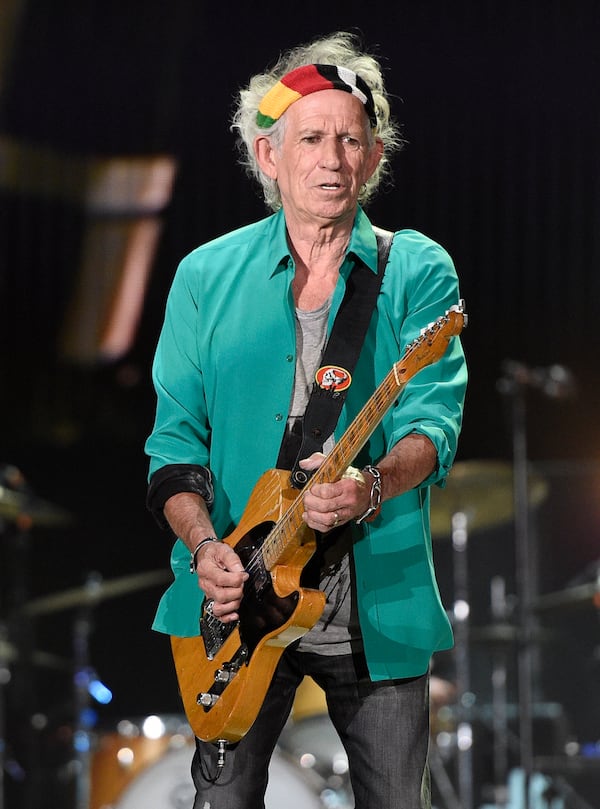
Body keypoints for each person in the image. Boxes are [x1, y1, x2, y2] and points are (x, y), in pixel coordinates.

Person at [145, 30, 467, 809]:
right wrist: (204, 544)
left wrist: (373, 484)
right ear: (267, 157)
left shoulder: (416, 268)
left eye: (352, 141)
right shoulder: (204, 275)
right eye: (313, 138)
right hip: (237, 603)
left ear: (376, 159)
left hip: (374, 604)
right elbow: (173, 443)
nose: (333, 158)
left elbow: (434, 423)